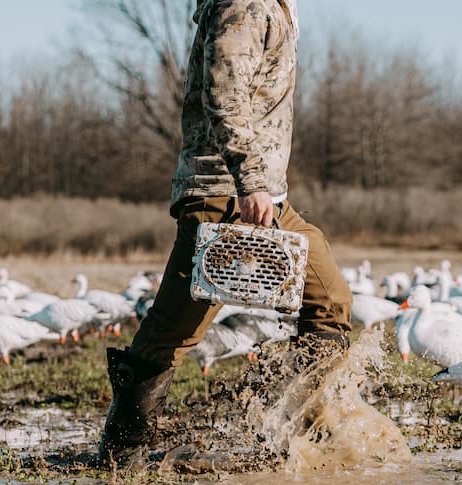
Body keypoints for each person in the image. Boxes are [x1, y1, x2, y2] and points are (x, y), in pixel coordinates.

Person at [100, 0, 354, 460]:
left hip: (265, 196)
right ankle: (123, 451)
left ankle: (295, 434)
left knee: (330, 300)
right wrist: (250, 180)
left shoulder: (275, 6)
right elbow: (225, 95)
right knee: (174, 332)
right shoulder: (245, 4)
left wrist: (262, 186)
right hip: (225, 192)